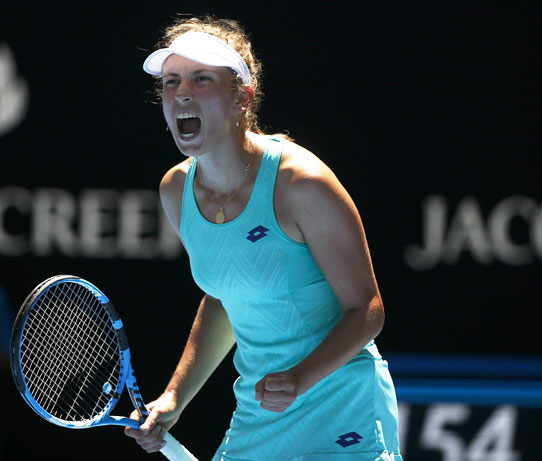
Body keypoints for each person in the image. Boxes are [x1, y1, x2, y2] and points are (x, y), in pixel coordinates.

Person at [125, 15, 402, 460]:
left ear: (242, 99)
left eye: (201, 79)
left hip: (341, 404)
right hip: (262, 409)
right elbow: (227, 296)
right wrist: (175, 397)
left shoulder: (302, 183)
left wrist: (300, 378)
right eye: (172, 81)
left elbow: (367, 309)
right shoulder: (175, 191)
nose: (182, 93)